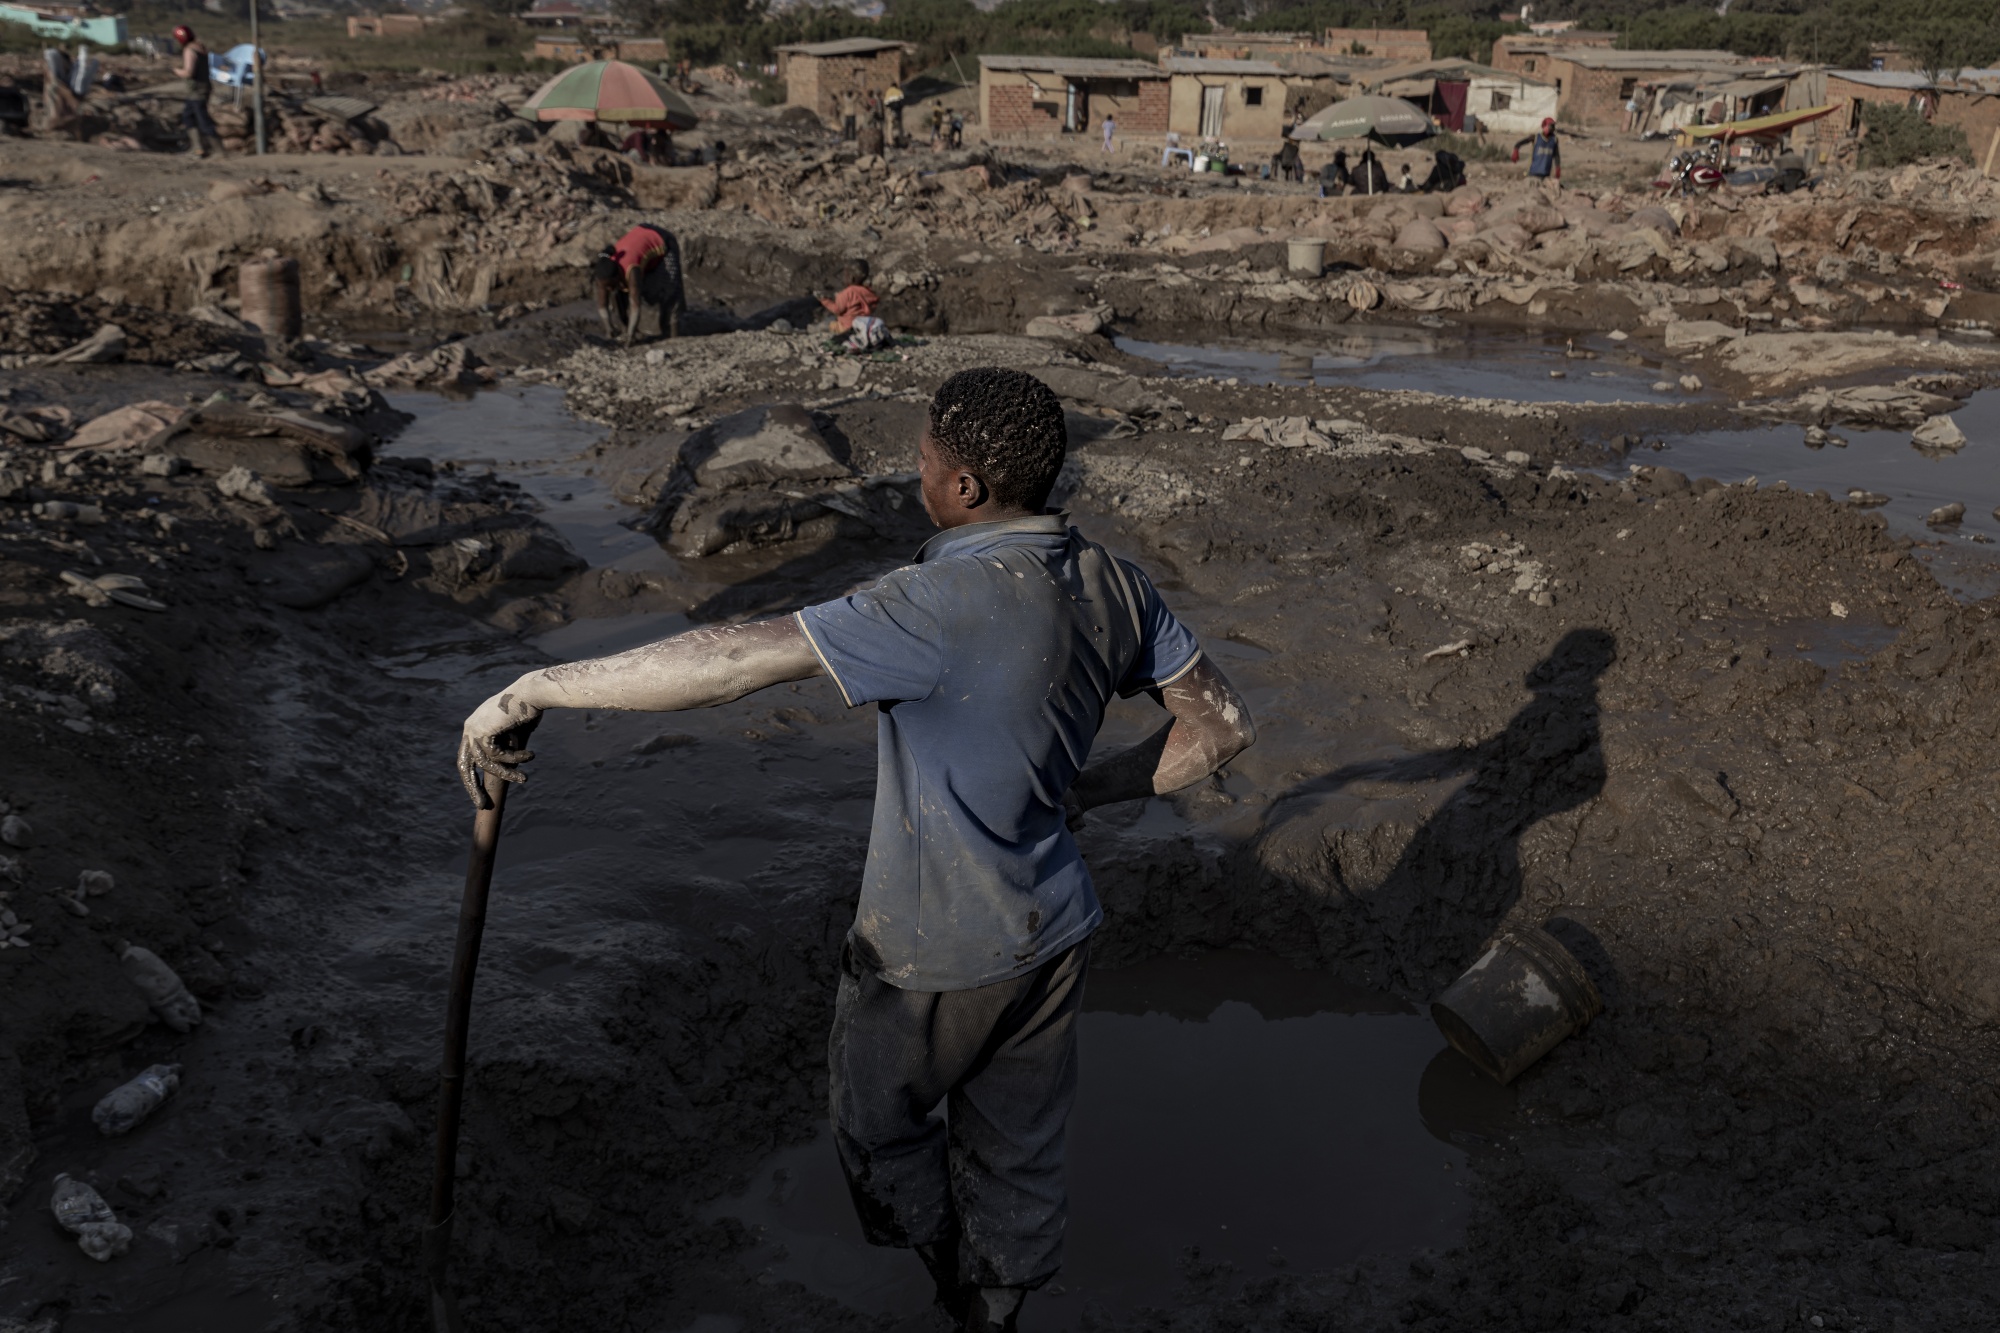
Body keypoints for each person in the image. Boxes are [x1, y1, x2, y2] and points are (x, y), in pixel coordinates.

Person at [455, 366, 1255, 1333]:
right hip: (1056, 923)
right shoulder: (1111, 580)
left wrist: (536, 688)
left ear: (962, 488)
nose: (914, 475)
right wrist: (1086, 788)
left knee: (878, 1123)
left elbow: (733, 660)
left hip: (934, 944)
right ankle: (995, 1308)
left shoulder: (931, 601)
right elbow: (1219, 728)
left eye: (923, 460)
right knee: (1022, 1143)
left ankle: (942, 1274)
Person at [591, 222, 684, 345]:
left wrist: (630, 336)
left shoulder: (631, 270)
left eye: (610, 285)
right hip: (640, 236)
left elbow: (635, 305)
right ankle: (627, 327)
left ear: (617, 276)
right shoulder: (603, 272)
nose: (607, 288)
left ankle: (673, 334)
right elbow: (602, 305)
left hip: (662, 241)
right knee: (619, 295)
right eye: (605, 287)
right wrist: (609, 328)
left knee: (669, 291)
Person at [172, 24, 220, 158]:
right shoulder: (201, 48)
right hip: (203, 88)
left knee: (202, 120)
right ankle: (198, 148)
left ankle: (218, 150)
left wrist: (176, 71)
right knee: (189, 117)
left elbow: (188, 72)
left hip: (196, 90)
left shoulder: (189, 50)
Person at [818, 261, 878, 333]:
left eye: (845, 275)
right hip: (862, 326)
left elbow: (837, 310)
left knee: (826, 322)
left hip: (846, 327)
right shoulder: (867, 292)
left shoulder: (847, 293)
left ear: (851, 277)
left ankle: (810, 329)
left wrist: (824, 300)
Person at [1512, 117, 1561, 183]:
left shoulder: (1554, 140)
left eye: (1553, 126)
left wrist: (1557, 167)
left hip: (1546, 174)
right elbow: (1519, 143)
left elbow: (1556, 155)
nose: (1552, 128)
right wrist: (1516, 150)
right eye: (1551, 126)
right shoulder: (1536, 137)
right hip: (1533, 173)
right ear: (1544, 126)